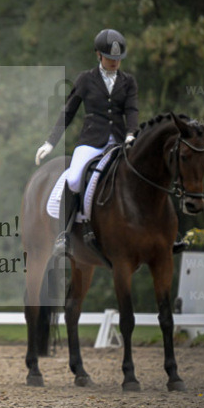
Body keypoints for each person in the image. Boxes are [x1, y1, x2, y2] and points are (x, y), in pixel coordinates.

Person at [35, 29, 138, 257]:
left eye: (118, 59)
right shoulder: (86, 79)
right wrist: (51, 142)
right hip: (92, 141)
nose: (114, 62)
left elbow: (131, 110)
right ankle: (64, 235)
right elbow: (68, 111)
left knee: (140, 174)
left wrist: (131, 133)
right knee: (73, 179)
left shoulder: (128, 81)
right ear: (98, 55)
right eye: (109, 58)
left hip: (120, 141)